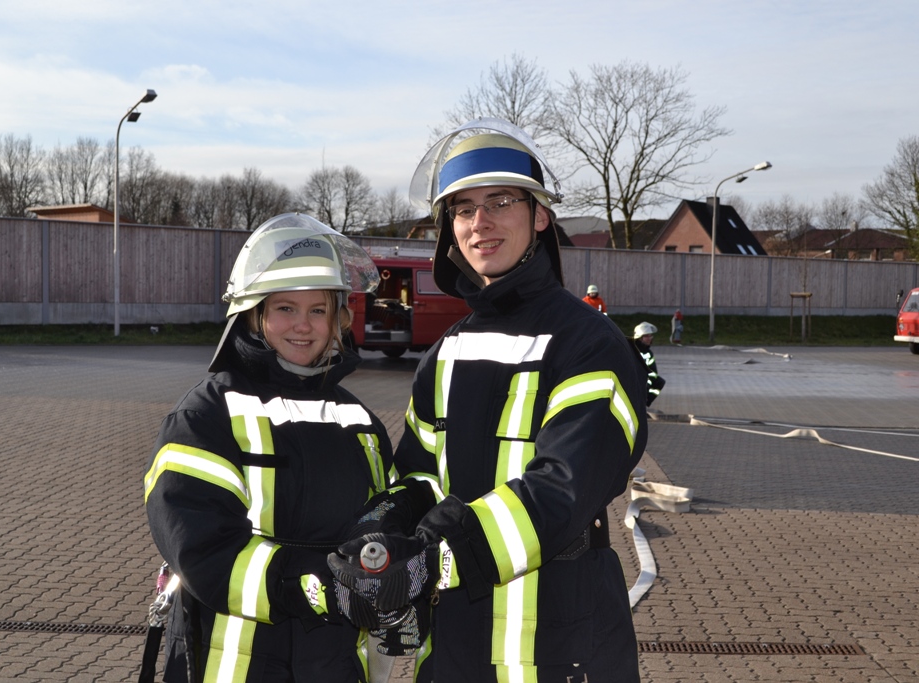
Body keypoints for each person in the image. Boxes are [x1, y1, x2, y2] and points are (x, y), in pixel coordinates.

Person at [329, 119, 648, 682]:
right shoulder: (445, 354)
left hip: (560, 644)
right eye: (463, 209)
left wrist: (434, 557)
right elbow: (421, 474)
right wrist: (381, 527)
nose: (480, 223)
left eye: (500, 202)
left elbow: (563, 489)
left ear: (540, 215)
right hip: (453, 645)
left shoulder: (589, 343)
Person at [144, 213, 394, 683]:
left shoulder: (360, 421)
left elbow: (383, 521)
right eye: (285, 307)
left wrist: (395, 571)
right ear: (254, 314)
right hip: (232, 666)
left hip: (334, 666)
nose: (303, 325)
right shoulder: (206, 416)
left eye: (318, 309)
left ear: (339, 318)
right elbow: (200, 547)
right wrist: (310, 585)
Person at [632, 322, 666, 406]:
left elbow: (653, 372)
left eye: (650, 336)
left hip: (644, 380)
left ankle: (645, 403)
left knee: (660, 382)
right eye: (646, 336)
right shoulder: (632, 350)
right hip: (633, 380)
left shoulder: (648, 353)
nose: (649, 338)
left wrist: (648, 382)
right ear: (639, 338)